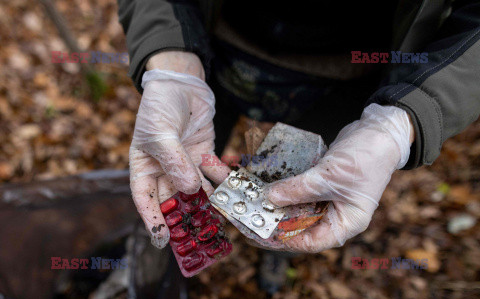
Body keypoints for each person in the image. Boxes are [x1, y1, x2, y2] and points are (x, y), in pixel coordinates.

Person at [118, 0, 480, 277]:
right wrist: (171, 64)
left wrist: (401, 122)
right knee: (178, 177)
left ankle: (275, 253)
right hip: (211, 46)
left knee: (298, 202)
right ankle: (156, 262)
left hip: (350, 76)